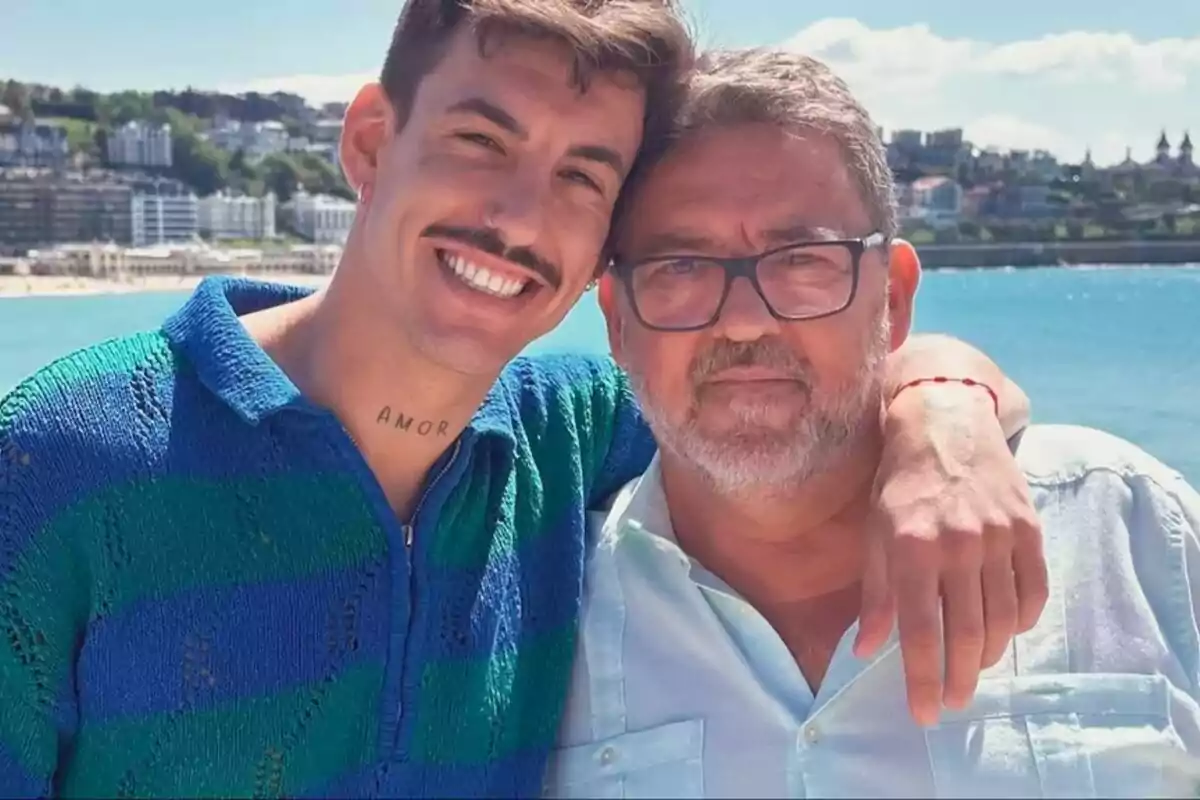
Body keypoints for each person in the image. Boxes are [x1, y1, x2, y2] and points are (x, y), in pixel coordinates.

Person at [0, 3, 1046, 798]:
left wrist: (941, 409)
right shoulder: (61, 463)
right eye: (481, 142)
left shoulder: (570, 429)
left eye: (583, 177)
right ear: (369, 139)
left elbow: (789, 389)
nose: (517, 218)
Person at [544, 48, 1200, 799]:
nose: (744, 321)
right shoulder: (546, 626)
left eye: (802, 260)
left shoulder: (1131, 532)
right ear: (617, 323)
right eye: (680, 267)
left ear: (892, 299)